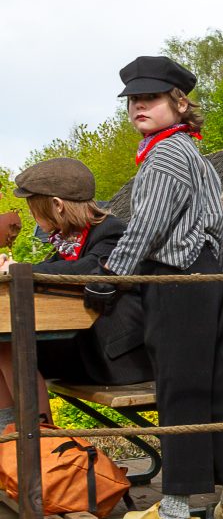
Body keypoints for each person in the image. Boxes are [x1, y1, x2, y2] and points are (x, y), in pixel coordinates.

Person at [102, 55, 223, 519]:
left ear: (179, 102)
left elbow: (146, 228)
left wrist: (111, 275)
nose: (138, 106)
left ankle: (175, 512)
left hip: (176, 280)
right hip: (204, 278)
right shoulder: (189, 152)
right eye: (133, 100)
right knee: (211, 392)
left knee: (179, 390)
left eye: (150, 98)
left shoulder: (167, 155)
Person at [0, 159, 153, 427]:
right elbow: (50, 267)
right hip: (85, 345)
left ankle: (37, 443)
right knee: (3, 348)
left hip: (115, 356)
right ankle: (13, 440)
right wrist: (13, 269)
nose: (31, 217)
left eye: (34, 209)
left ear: (57, 205)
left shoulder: (111, 232)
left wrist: (21, 269)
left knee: (13, 350)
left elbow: (89, 269)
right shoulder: (68, 240)